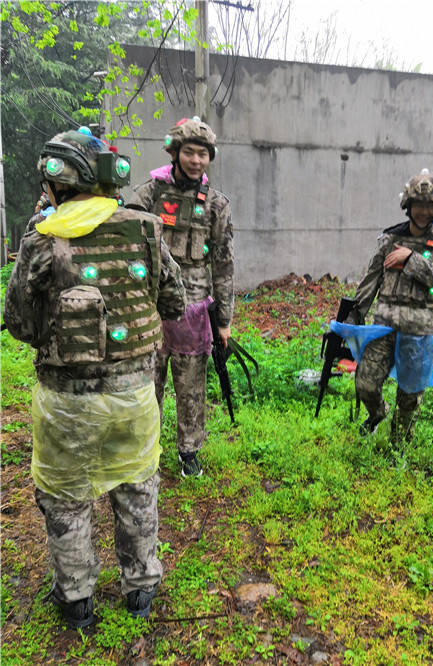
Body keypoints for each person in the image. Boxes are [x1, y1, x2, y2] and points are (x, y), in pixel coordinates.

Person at [3, 127, 186, 629]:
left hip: (66, 401)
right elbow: (174, 302)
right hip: (134, 396)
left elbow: (17, 323)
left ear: (60, 182)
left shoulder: (42, 238)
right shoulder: (146, 228)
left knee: (65, 498)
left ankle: (77, 598)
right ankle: (141, 590)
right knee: (136, 488)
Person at [129, 116, 234, 478]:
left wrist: (224, 321)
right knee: (149, 380)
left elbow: (223, 263)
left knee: (191, 383)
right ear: (175, 152)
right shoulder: (150, 194)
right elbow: (128, 238)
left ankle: (189, 451)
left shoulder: (216, 205)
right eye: (189, 152)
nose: (196, 160)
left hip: (194, 306)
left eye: (203, 154)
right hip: (152, 303)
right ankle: (148, 451)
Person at [346, 168, 433, 442]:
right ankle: (377, 413)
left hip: (420, 332)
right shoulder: (389, 240)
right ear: (407, 206)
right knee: (365, 383)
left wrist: (410, 258)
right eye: (418, 205)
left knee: (409, 398)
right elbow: (370, 281)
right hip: (384, 327)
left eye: (429, 206)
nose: (423, 211)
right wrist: (354, 316)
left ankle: (398, 448)